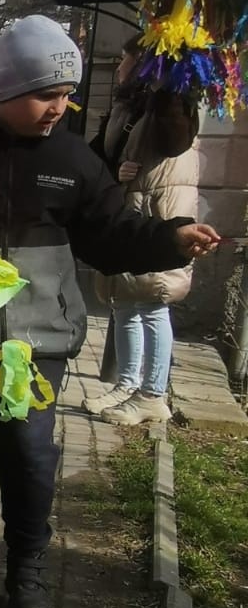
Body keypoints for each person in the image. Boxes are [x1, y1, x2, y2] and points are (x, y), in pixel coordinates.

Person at [0, 14, 219, 608]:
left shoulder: (73, 158)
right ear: (7, 89)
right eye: (46, 94)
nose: (59, 107)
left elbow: (111, 233)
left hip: (39, 343)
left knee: (28, 453)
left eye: (66, 94)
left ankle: (27, 571)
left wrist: (170, 238)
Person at [89, 86, 202, 427]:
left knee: (153, 300)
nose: (122, 67)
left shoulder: (172, 100)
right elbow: (105, 149)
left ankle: (153, 394)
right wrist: (116, 169)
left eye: (129, 62)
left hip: (159, 205)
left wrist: (169, 96)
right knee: (124, 302)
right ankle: (127, 385)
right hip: (133, 201)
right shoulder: (134, 101)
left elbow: (174, 141)